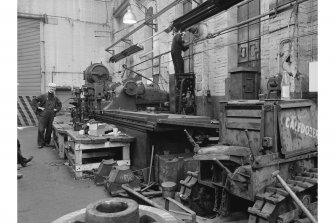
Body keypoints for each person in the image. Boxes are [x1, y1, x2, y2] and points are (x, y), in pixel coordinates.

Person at [32, 83, 62, 148]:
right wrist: (38, 107)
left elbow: (60, 105)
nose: (52, 89)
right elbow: (34, 100)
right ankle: (40, 143)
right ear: (48, 87)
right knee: (41, 129)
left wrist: (56, 109)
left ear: (55, 89)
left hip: (51, 116)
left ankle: (46, 142)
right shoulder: (44, 96)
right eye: (51, 87)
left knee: (49, 130)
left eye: (53, 88)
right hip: (43, 115)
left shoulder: (55, 98)